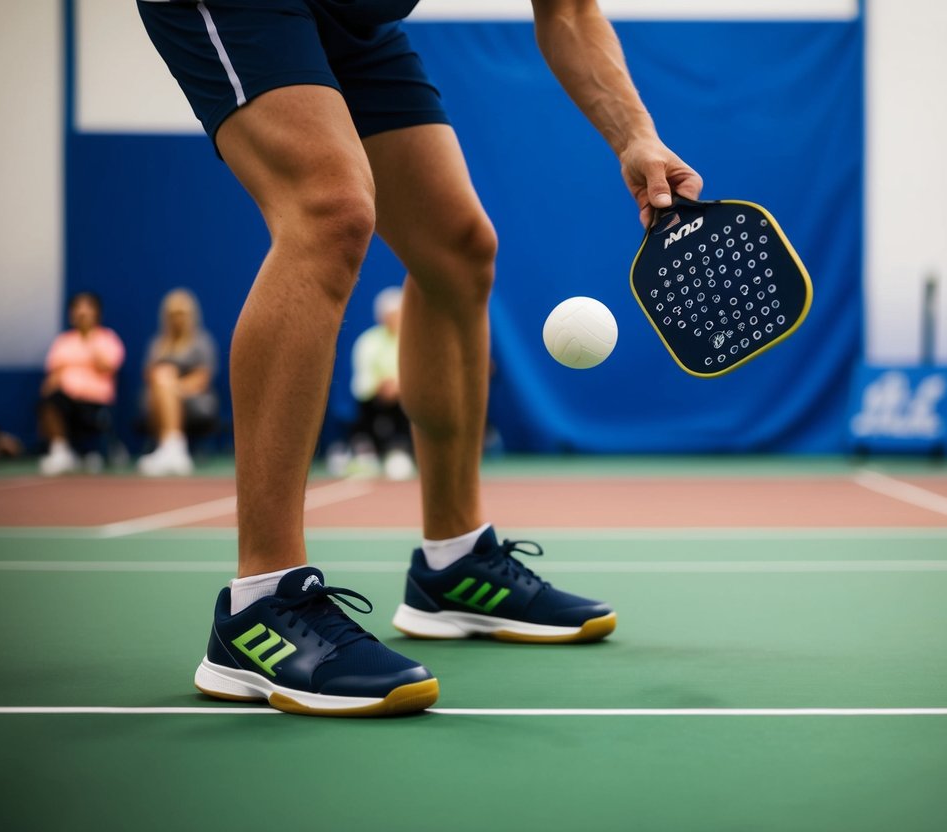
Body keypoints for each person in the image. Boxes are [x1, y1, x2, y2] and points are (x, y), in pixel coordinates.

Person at [137, 0, 702, 716]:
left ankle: (453, 563)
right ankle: (259, 605)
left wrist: (636, 137)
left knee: (458, 248)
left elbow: (567, 9)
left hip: (350, 18)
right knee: (329, 208)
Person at [38, 292, 125, 475]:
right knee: (50, 401)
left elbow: (106, 366)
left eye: (87, 308)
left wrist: (89, 339)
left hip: (94, 401)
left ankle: (90, 452)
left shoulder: (107, 338)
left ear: (96, 313)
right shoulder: (63, 342)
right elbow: (53, 373)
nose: (82, 312)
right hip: (65, 399)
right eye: (78, 308)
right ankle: (60, 452)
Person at [138, 288, 220, 476]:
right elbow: (150, 375)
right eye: (173, 314)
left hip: (193, 399)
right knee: (163, 375)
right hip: (157, 398)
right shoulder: (157, 344)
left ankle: (172, 448)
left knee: (165, 376)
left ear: (191, 315)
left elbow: (202, 378)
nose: (177, 319)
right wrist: (165, 388)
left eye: (181, 314)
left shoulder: (201, 342)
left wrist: (171, 389)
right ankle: (173, 450)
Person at [348, 285, 415, 480]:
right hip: (375, 400)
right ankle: (366, 452)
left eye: (399, 313)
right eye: (391, 314)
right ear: (381, 317)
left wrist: (401, 386)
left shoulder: (414, 341)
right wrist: (381, 386)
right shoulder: (367, 341)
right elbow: (362, 380)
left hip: (407, 399)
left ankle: (403, 451)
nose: (395, 318)